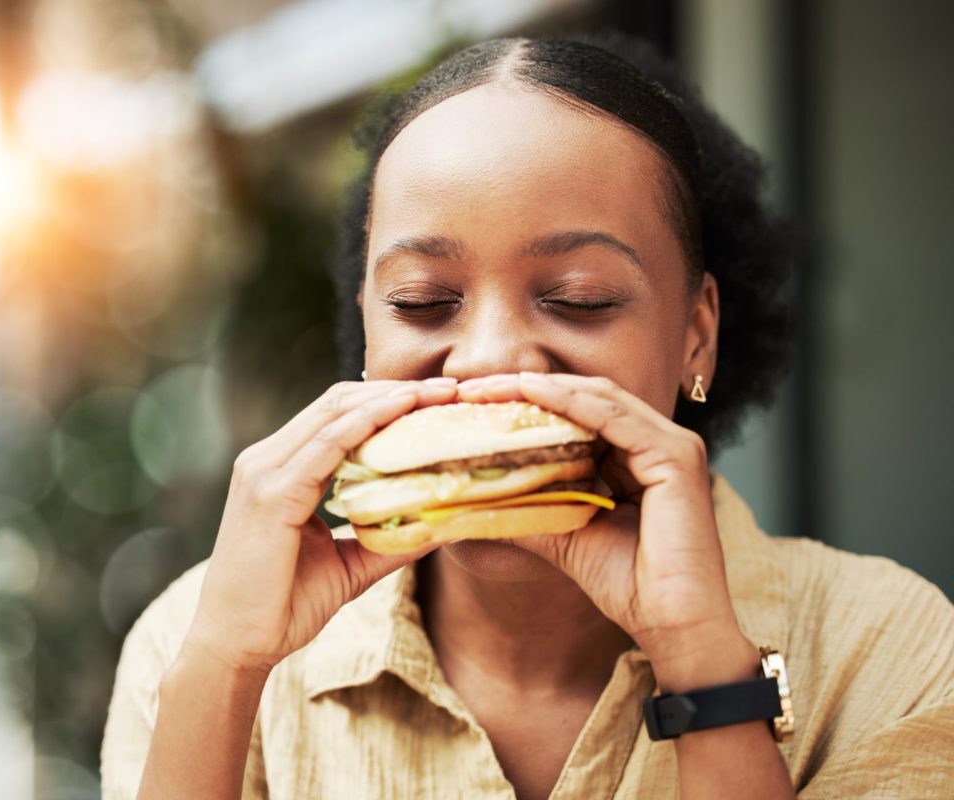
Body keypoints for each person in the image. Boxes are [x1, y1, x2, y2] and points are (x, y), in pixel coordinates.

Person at [101, 35, 954, 799]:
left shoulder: (892, 650)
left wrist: (704, 665)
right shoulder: (196, 641)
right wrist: (221, 672)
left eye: (577, 300)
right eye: (423, 300)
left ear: (697, 334)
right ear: (365, 320)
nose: (489, 359)